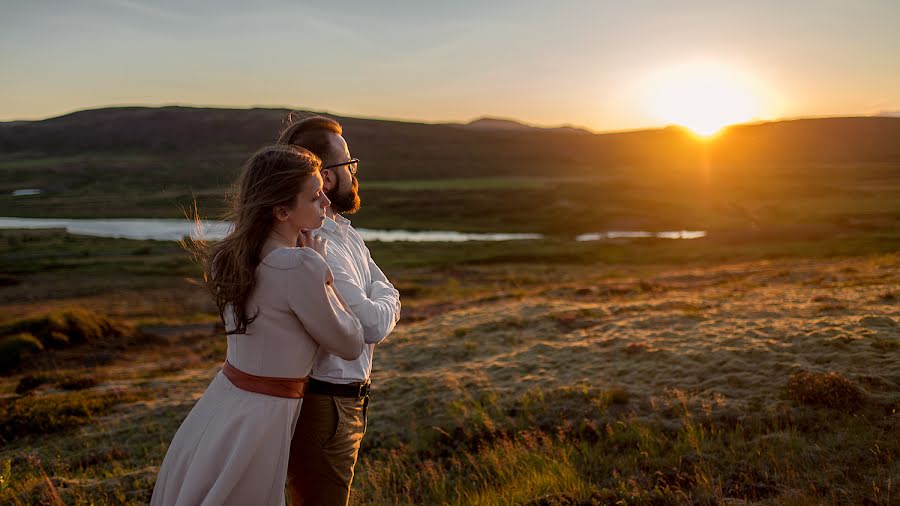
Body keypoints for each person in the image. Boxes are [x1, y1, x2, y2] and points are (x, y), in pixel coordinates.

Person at [150, 145, 365, 506]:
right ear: (281, 210)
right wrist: (323, 274)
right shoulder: (301, 266)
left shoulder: (229, 255)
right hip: (264, 416)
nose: (326, 204)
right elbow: (351, 342)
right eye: (314, 198)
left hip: (224, 401)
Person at [276, 115, 402, 505]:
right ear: (327, 177)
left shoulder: (343, 232)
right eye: (349, 164)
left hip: (344, 401)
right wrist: (389, 298)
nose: (353, 172)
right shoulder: (319, 241)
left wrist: (385, 296)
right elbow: (372, 323)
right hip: (326, 404)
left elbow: (384, 293)